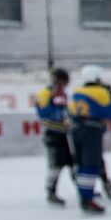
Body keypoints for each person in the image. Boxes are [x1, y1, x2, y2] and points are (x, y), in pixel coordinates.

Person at [69, 65, 111, 213]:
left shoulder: (77, 91)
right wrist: (110, 98)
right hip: (91, 130)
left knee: (81, 164)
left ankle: (83, 194)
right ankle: (87, 199)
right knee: (91, 164)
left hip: (76, 130)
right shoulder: (100, 92)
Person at [35, 67, 74, 206]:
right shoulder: (46, 93)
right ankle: (51, 192)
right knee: (55, 165)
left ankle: (83, 191)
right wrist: (59, 114)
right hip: (52, 133)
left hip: (64, 134)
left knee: (72, 163)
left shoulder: (61, 93)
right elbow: (43, 112)